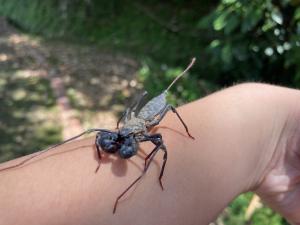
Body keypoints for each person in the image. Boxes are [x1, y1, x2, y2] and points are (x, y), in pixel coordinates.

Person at [0, 83, 299, 225]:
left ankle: (141, 183)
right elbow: (117, 123)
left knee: (162, 147)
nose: (119, 142)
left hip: (147, 117)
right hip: (134, 119)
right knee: (91, 130)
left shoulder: (144, 134)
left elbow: (156, 145)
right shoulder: (122, 130)